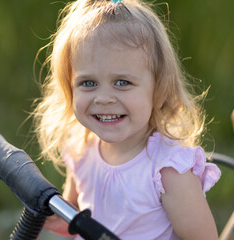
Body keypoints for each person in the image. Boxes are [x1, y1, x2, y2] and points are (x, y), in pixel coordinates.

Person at [33, 0, 221, 239]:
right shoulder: (81, 149)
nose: (103, 98)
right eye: (88, 83)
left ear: (159, 89)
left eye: (122, 82)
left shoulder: (168, 171)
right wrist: (51, 213)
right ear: (69, 88)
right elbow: (76, 218)